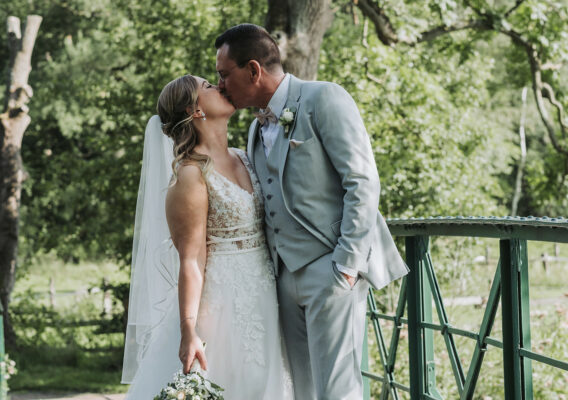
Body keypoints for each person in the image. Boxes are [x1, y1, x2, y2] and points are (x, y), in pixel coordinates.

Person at [215, 24, 410, 399]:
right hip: (284, 276)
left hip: (331, 268)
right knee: (302, 390)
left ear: (253, 70)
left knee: (338, 390)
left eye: (224, 75)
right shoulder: (255, 130)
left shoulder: (324, 98)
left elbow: (363, 181)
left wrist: (347, 266)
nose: (220, 85)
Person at [122, 75, 292, 399]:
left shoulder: (245, 155)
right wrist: (189, 330)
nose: (221, 86)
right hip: (224, 307)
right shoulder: (191, 175)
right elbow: (191, 260)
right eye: (209, 87)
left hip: (268, 296)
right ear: (195, 109)